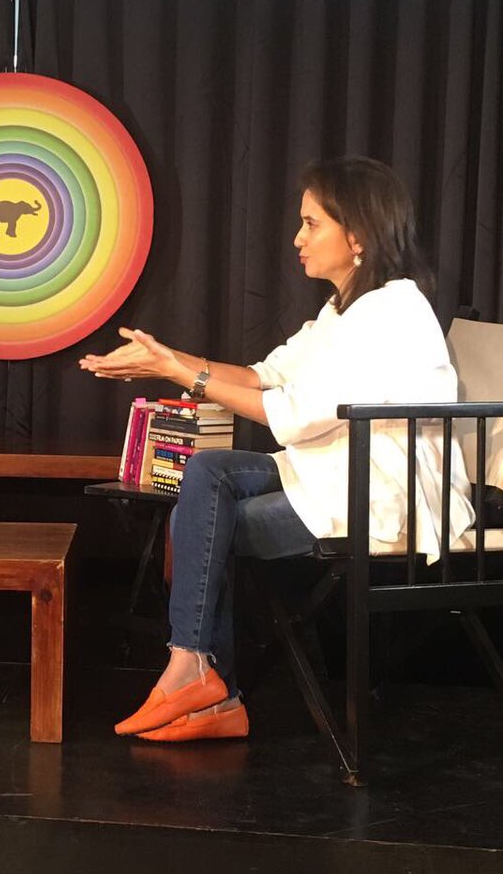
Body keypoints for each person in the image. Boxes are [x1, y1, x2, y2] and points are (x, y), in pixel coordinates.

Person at [79, 156, 475, 743]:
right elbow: (263, 375)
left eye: (311, 224)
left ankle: (206, 684)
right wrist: (165, 361)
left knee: (200, 525)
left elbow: (292, 412)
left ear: (358, 234)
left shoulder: (391, 312)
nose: (297, 238)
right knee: (209, 472)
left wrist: (183, 376)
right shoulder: (342, 309)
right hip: (330, 474)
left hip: (378, 497)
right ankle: (201, 677)